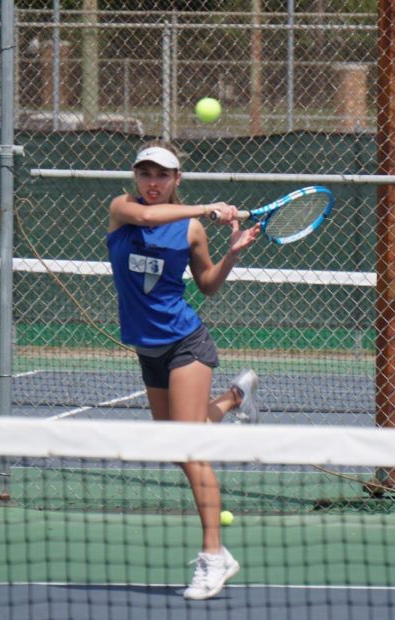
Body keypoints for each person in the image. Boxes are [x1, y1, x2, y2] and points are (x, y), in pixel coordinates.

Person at [106, 140, 261, 600]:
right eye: (146, 174)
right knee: (175, 445)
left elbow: (207, 286)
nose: (152, 183)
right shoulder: (122, 209)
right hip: (147, 349)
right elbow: (151, 219)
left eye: (162, 175)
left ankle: (215, 557)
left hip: (185, 345)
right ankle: (235, 398)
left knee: (191, 451)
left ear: (176, 180)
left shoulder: (193, 230)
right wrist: (211, 206)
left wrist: (232, 251)